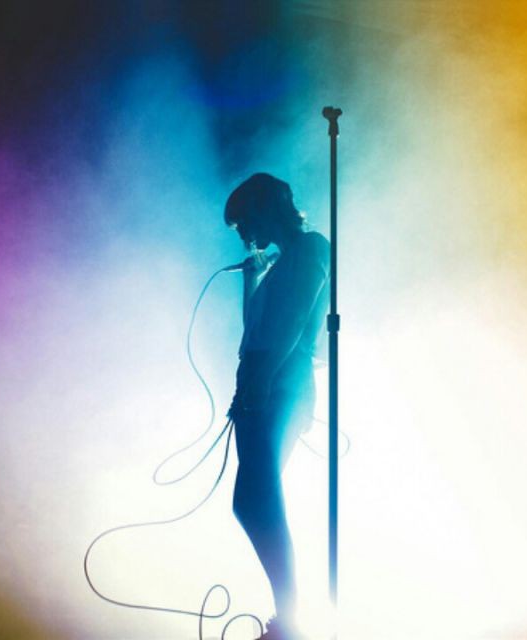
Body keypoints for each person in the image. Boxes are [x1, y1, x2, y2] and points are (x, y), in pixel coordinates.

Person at [225, 173, 330, 640]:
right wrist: (252, 278)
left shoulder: (310, 249)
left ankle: (289, 620)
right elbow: (256, 328)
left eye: (244, 222)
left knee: (253, 496)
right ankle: (286, 617)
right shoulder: (285, 261)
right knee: (253, 497)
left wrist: (262, 380)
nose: (244, 234)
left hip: (281, 384)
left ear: (266, 207)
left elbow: (292, 320)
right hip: (265, 382)